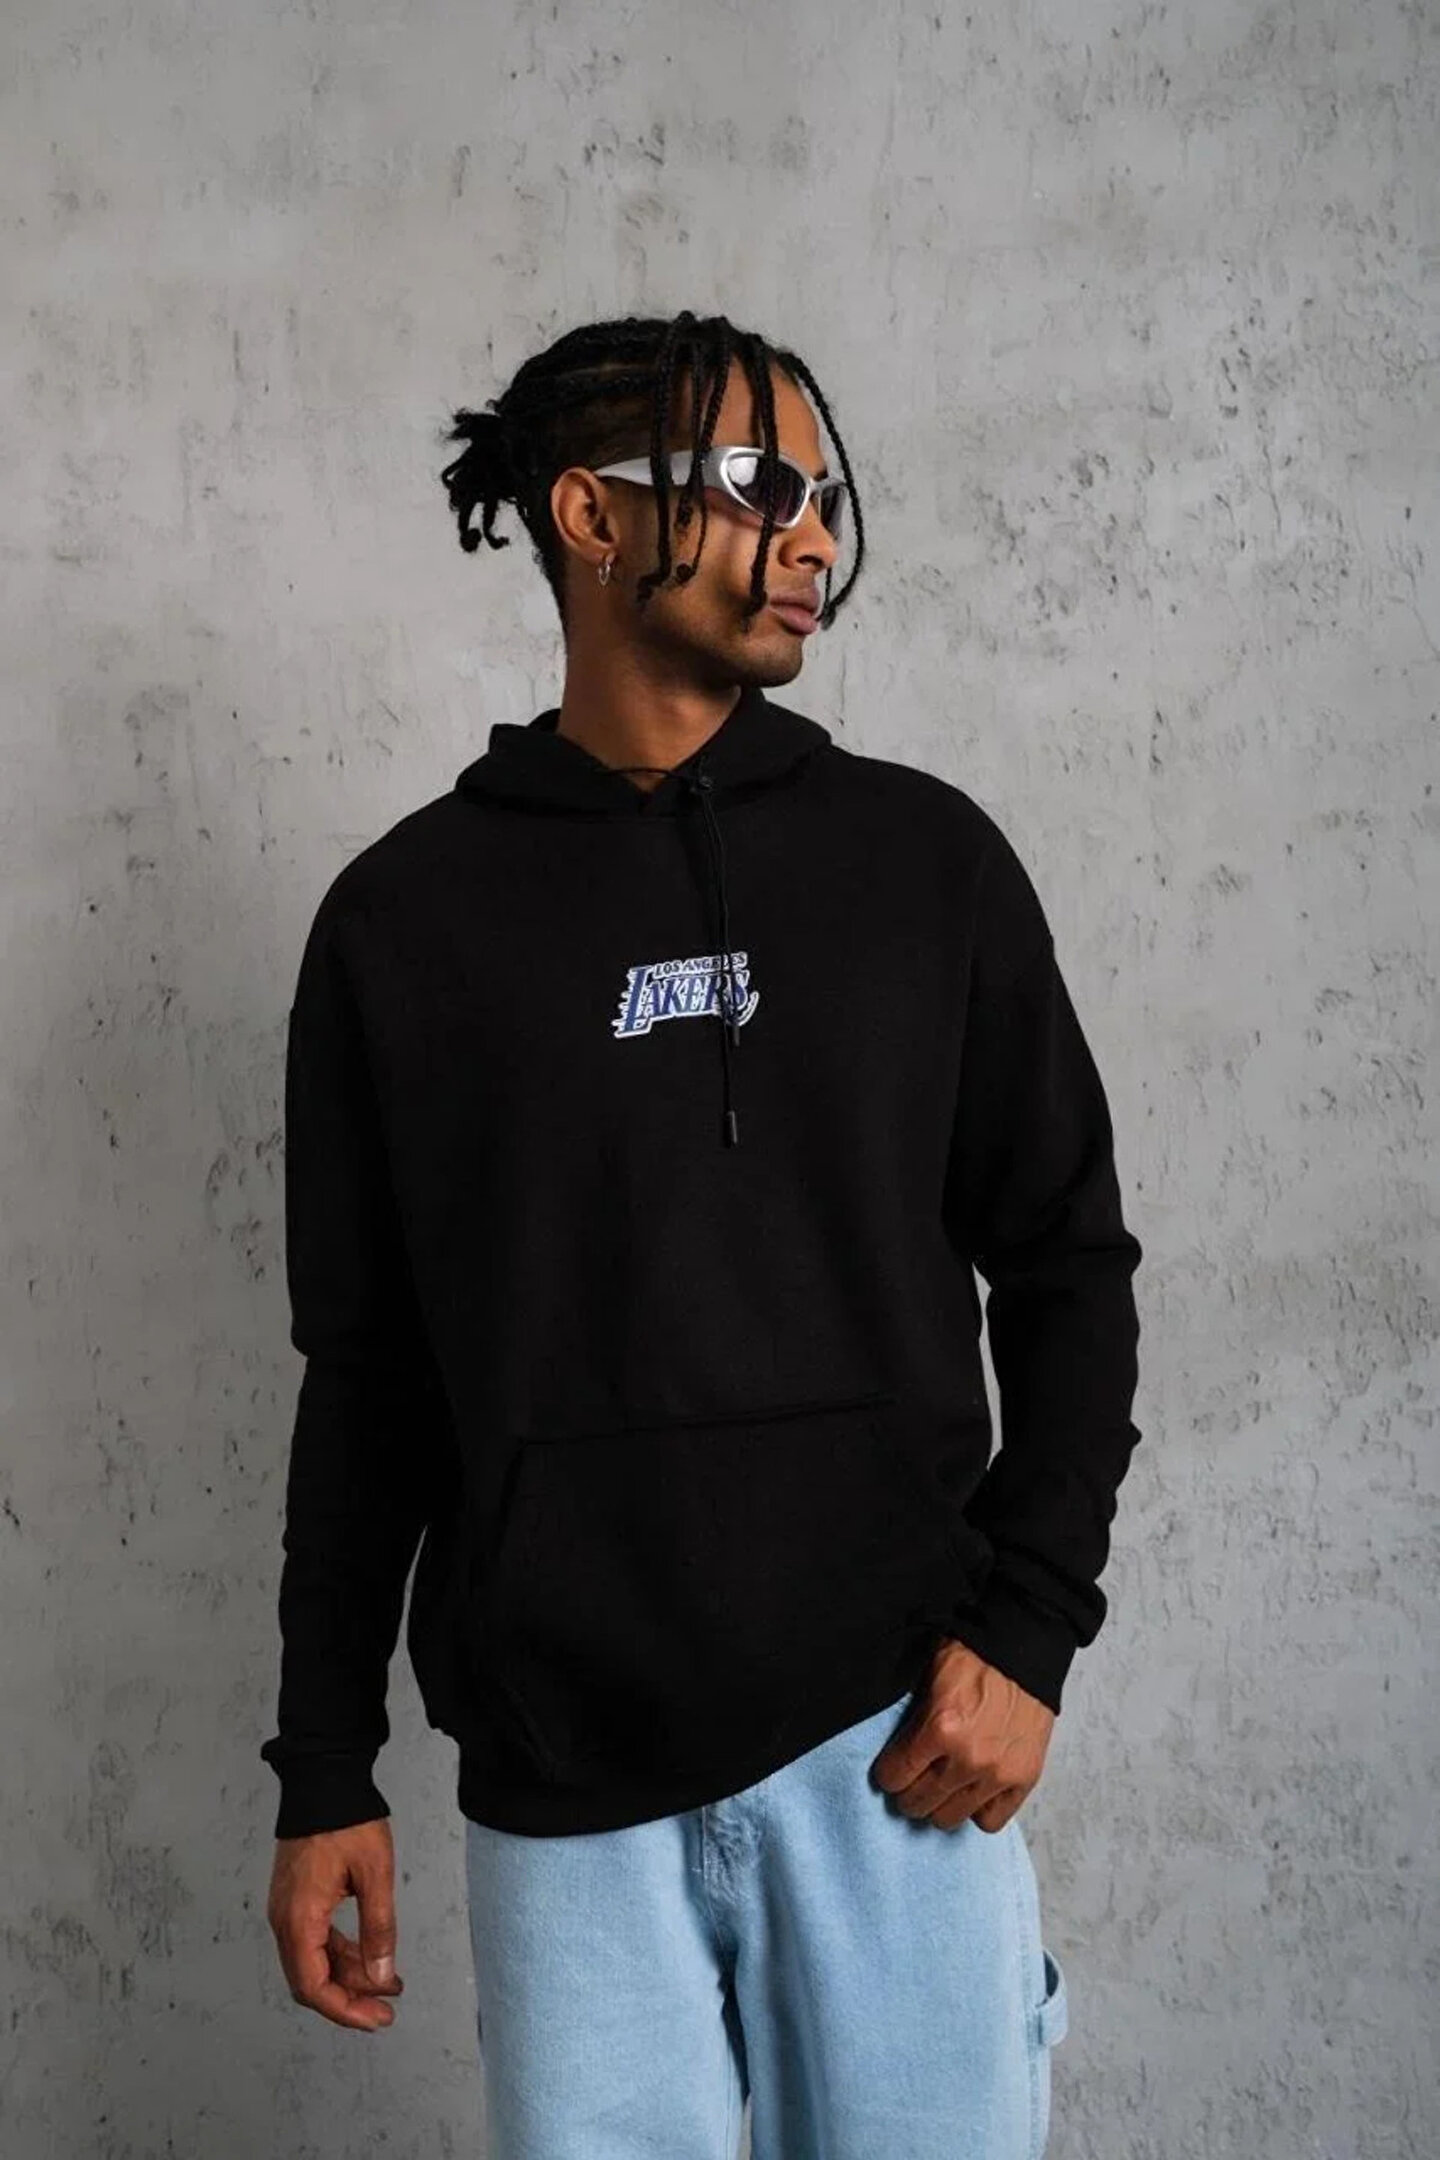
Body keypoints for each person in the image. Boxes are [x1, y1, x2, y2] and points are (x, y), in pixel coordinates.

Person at [261, 307, 1142, 2159]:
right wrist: (324, 1767)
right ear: (590, 514)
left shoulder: (927, 867)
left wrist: (1032, 1628)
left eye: (823, 494)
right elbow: (370, 1376)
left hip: (895, 1752)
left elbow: (1070, 1264)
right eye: (757, 484)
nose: (810, 534)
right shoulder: (402, 924)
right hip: (563, 1793)